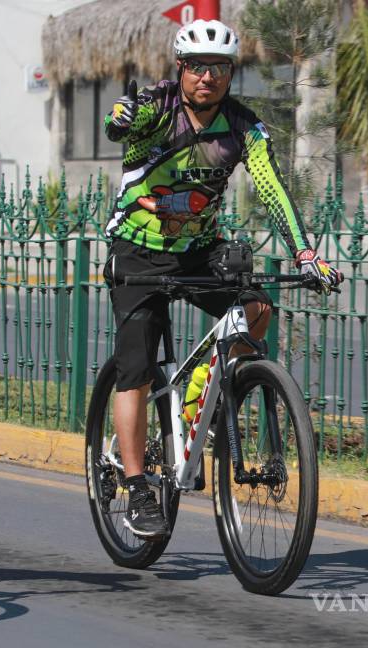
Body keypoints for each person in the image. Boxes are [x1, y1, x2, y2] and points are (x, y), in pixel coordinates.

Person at [102, 19, 343, 538]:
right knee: (137, 368)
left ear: (231, 74)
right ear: (181, 69)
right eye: (197, 67)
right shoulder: (157, 107)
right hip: (139, 251)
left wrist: (305, 254)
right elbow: (122, 121)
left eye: (219, 68)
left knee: (257, 310)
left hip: (199, 250)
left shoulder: (244, 128)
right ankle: (140, 484)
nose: (207, 77)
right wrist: (119, 118)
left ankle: (195, 388)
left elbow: (274, 191)